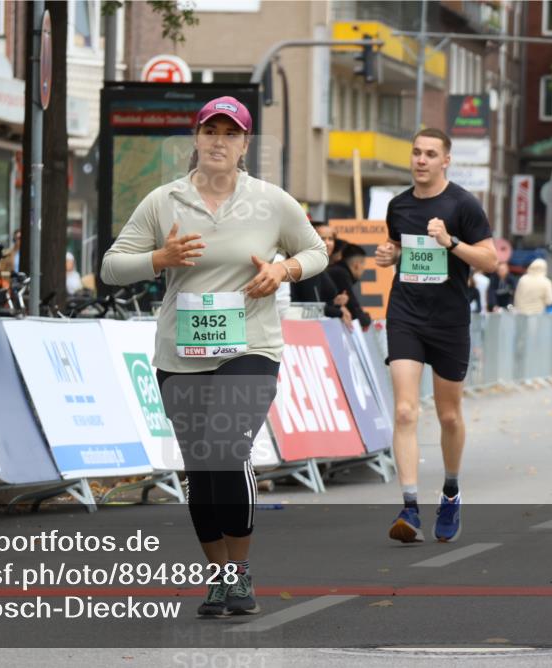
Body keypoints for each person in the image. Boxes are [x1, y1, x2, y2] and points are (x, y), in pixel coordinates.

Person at [101, 96, 327, 617]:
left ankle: (241, 572)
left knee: (226, 448)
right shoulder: (164, 201)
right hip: (181, 354)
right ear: (196, 139)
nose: (219, 141)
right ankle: (219, 576)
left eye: (231, 133)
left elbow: (316, 251)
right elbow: (113, 266)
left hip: (250, 347)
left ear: (245, 145)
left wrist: (282, 271)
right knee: (200, 468)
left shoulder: (271, 201)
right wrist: (160, 258)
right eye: (211, 131)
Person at [374, 128, 497, 544]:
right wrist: (390, 255)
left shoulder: (463, 204)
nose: (421, 160)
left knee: (448, 415)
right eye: (416, 153)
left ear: (446, 160)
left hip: (449, 321)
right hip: (406, 315)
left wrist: (451, 241)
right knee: (406, 411)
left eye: (430, 154)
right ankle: (410, 506)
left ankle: (450, 490)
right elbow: (395, 248)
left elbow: (491, 260)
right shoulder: (399, 205)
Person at [291, 221, 354, 330]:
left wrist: (335, 302)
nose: (328, 243)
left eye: (331, 239)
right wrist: (338, 312)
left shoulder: (319, 266)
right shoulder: (308, 267)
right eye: (323, 239)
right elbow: (310, 308)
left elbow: (317, 303)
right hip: (302, 330)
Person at [326, 242, 373, 330]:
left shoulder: (337, 271)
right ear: (357, 265)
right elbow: (355, 310)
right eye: (363, 267)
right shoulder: (341, 274)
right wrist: (366, 318)